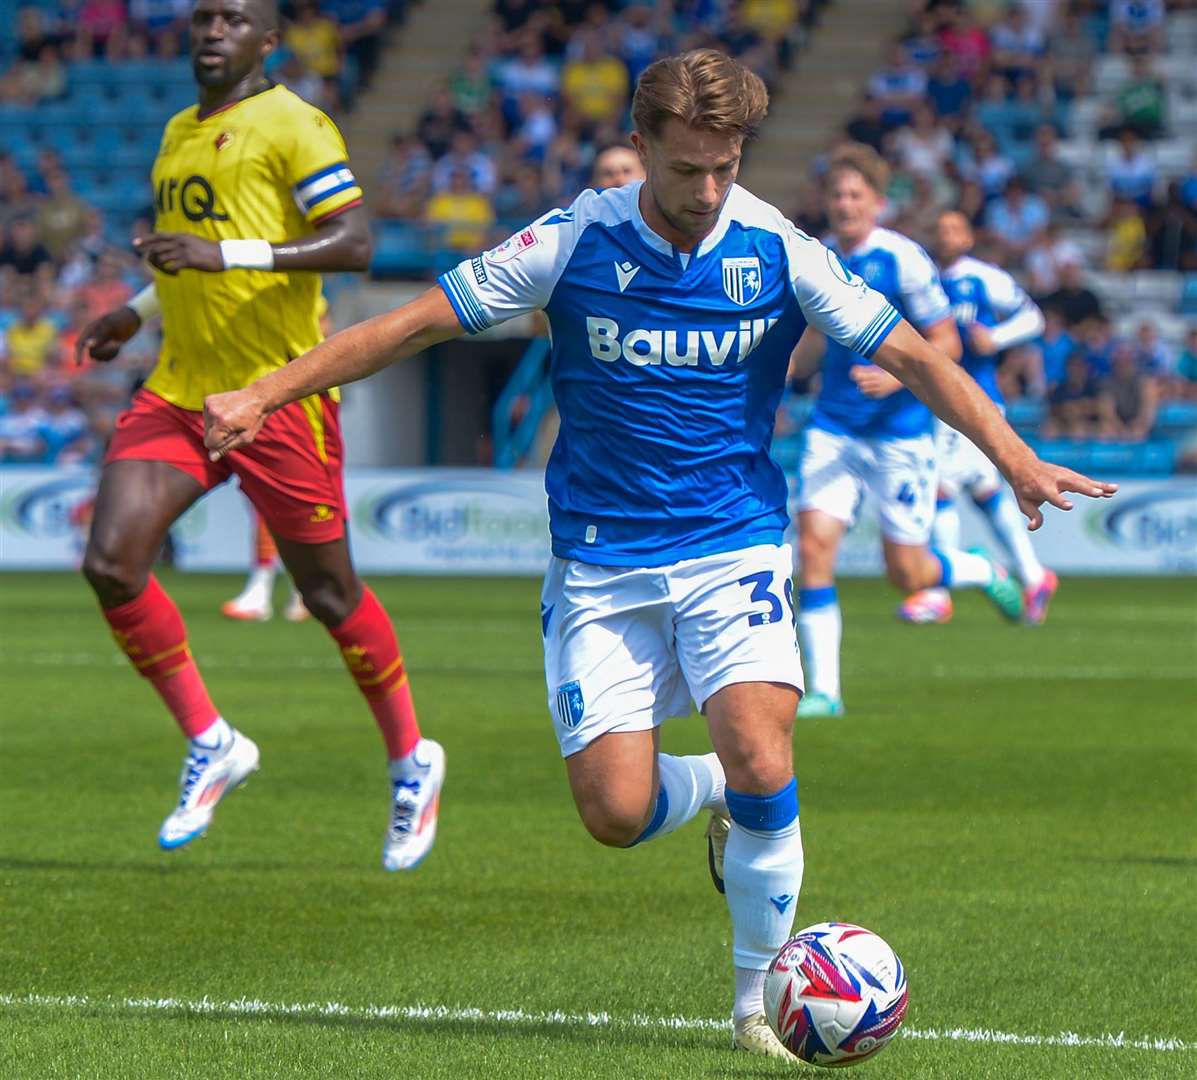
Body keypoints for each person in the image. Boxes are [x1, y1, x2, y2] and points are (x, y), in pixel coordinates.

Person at [202, 50, 1115, 1061]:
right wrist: (261, 395)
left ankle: (751, 1008)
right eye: (689, 169)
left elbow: (909, 352)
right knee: (615, 814)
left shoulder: (778, 249)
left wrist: (1015, 456)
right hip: (600, 564)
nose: (710, 190)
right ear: (642, 150)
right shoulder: (569, 241)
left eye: (726, 167)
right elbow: (412, 325)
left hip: (733, 546)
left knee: (768, 754)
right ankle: (716, 794)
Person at [74, 0, 444, 870]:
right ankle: (212, 741)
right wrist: (134, 311)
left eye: (234, 19)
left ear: (266, 41)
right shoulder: (176, 132)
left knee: (328, 597)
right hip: (180, 392)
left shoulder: (294, 124)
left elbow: (353, 242)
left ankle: (411, 758)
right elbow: (189, 256)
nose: (212, 30)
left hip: (278, 399)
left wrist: (224, 259)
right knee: (110, 562)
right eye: (202, 17)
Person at [792, 144, 1026, 722]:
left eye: (855, 195)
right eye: (837, 195)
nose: (845, 205)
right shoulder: (817, 258)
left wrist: (897, 379)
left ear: (876, 203)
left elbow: (946, 343)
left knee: (908, 573)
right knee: (813, 548)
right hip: (834, 430)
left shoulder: (903, 260)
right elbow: (813, 338)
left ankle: (978, 568)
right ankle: (825, 690)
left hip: (900, 436)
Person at [899, 212, 1057, 627]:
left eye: (953, 229)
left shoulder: (985, 278)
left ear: (968, 237)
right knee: (984, 491)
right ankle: (1035, 576)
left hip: (974, 402)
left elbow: (1033, 318)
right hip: (939, 401)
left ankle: (938, 594)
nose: (945, 235)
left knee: (939, 488)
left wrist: (998, 338)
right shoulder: (924, 279)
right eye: (939, 228)